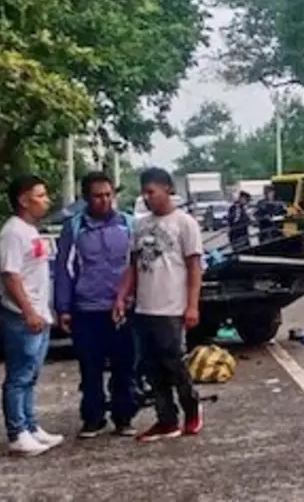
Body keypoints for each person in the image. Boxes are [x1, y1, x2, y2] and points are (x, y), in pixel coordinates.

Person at [114, 168, 204, 442]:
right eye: (145, 192)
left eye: (152, 191)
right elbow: (133, 265)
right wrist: (122, 295)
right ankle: (166, 420)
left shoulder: (184, 224)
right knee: (151, 367)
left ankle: (191, 408)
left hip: (171, 307)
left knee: (173, 362)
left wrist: (192, 305)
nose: (148, 197)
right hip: (144, 307)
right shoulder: (140, 226)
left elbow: (194, 267)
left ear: (168, 190)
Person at [53, 171, 138, 439]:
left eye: (108, 195)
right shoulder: (74, 228)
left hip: (123, 309)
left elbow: (137, 265)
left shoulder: (129, 224)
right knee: (90, 368)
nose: (103, 201)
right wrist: (63, 308)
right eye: (97, 196)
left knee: (125, 367)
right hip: (86, 310)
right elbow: (63, 269)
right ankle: (93, 418)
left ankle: (124, 418)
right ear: (86, 198)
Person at [0, 174, 64, 456]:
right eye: (40, 195)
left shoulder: (31, 230)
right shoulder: (12, 232)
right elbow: (11, 277)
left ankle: (30, 426)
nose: (46, 200)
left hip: (39, 314)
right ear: (23, 200)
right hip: (22, 317)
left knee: (31, 375)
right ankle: (17, 433)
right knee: (19, 376)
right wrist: (29, 312)